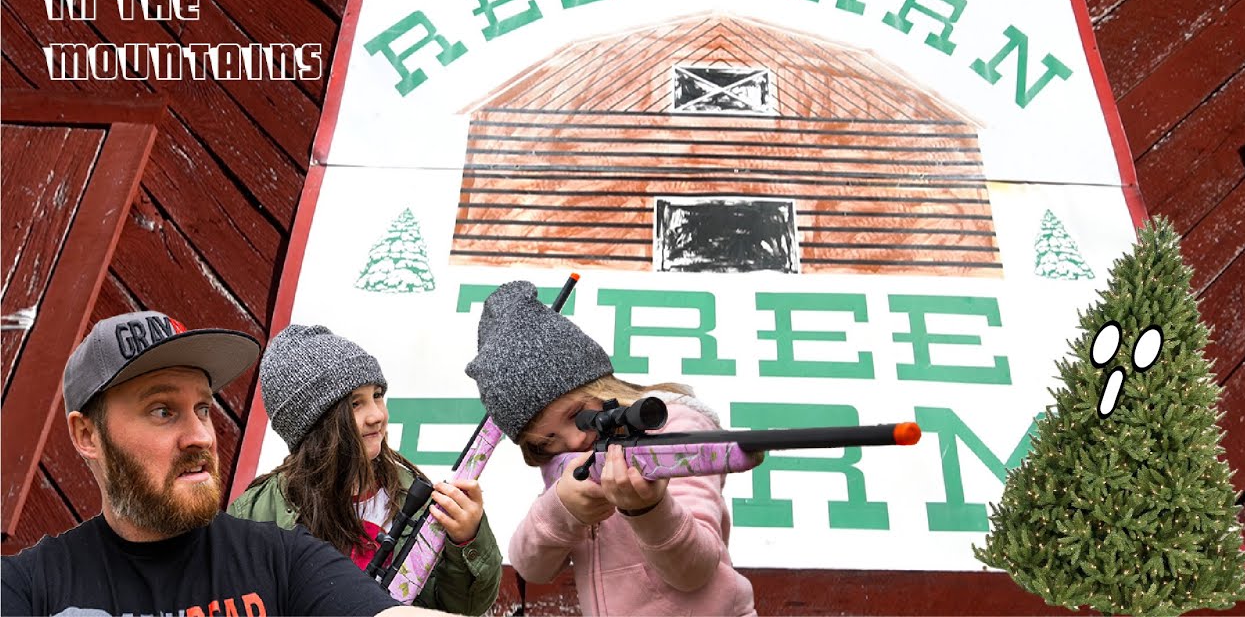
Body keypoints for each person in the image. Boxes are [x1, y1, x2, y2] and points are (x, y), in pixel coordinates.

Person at [1, 310, 442, 617]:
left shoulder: (283, 561)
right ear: (87, 436)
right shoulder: (29, 588)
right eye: (162, 411)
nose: (201, 436)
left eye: (203, 409)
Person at [465, 281, 757, 616]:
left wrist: (649, 510)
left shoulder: (673, 429)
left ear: (599, 385)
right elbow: (531, 567)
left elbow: (695, 571)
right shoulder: (566, 465)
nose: (574, 441)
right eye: (547, 441)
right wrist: (562, 508)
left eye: (577, 415)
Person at [229, 324, 501, 614]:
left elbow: (461, 606)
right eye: (356, 403)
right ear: (314, 424)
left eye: (377, 395)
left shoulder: (413, 495)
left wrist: (467, 540)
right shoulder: (255, 515)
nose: (376, 415)